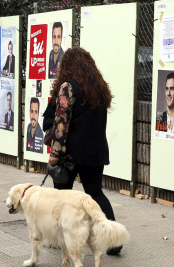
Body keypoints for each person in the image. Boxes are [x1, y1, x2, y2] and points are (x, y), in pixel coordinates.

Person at [43, 47, 123, 255]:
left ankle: (60, 239)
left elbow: (61, 124)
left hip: (70, 154)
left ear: (66, 65)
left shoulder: (68, 87)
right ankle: (114, 239)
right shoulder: (98, 88)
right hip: (95, 151)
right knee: (95, 192)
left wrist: (55, 154)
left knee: (61, 196)